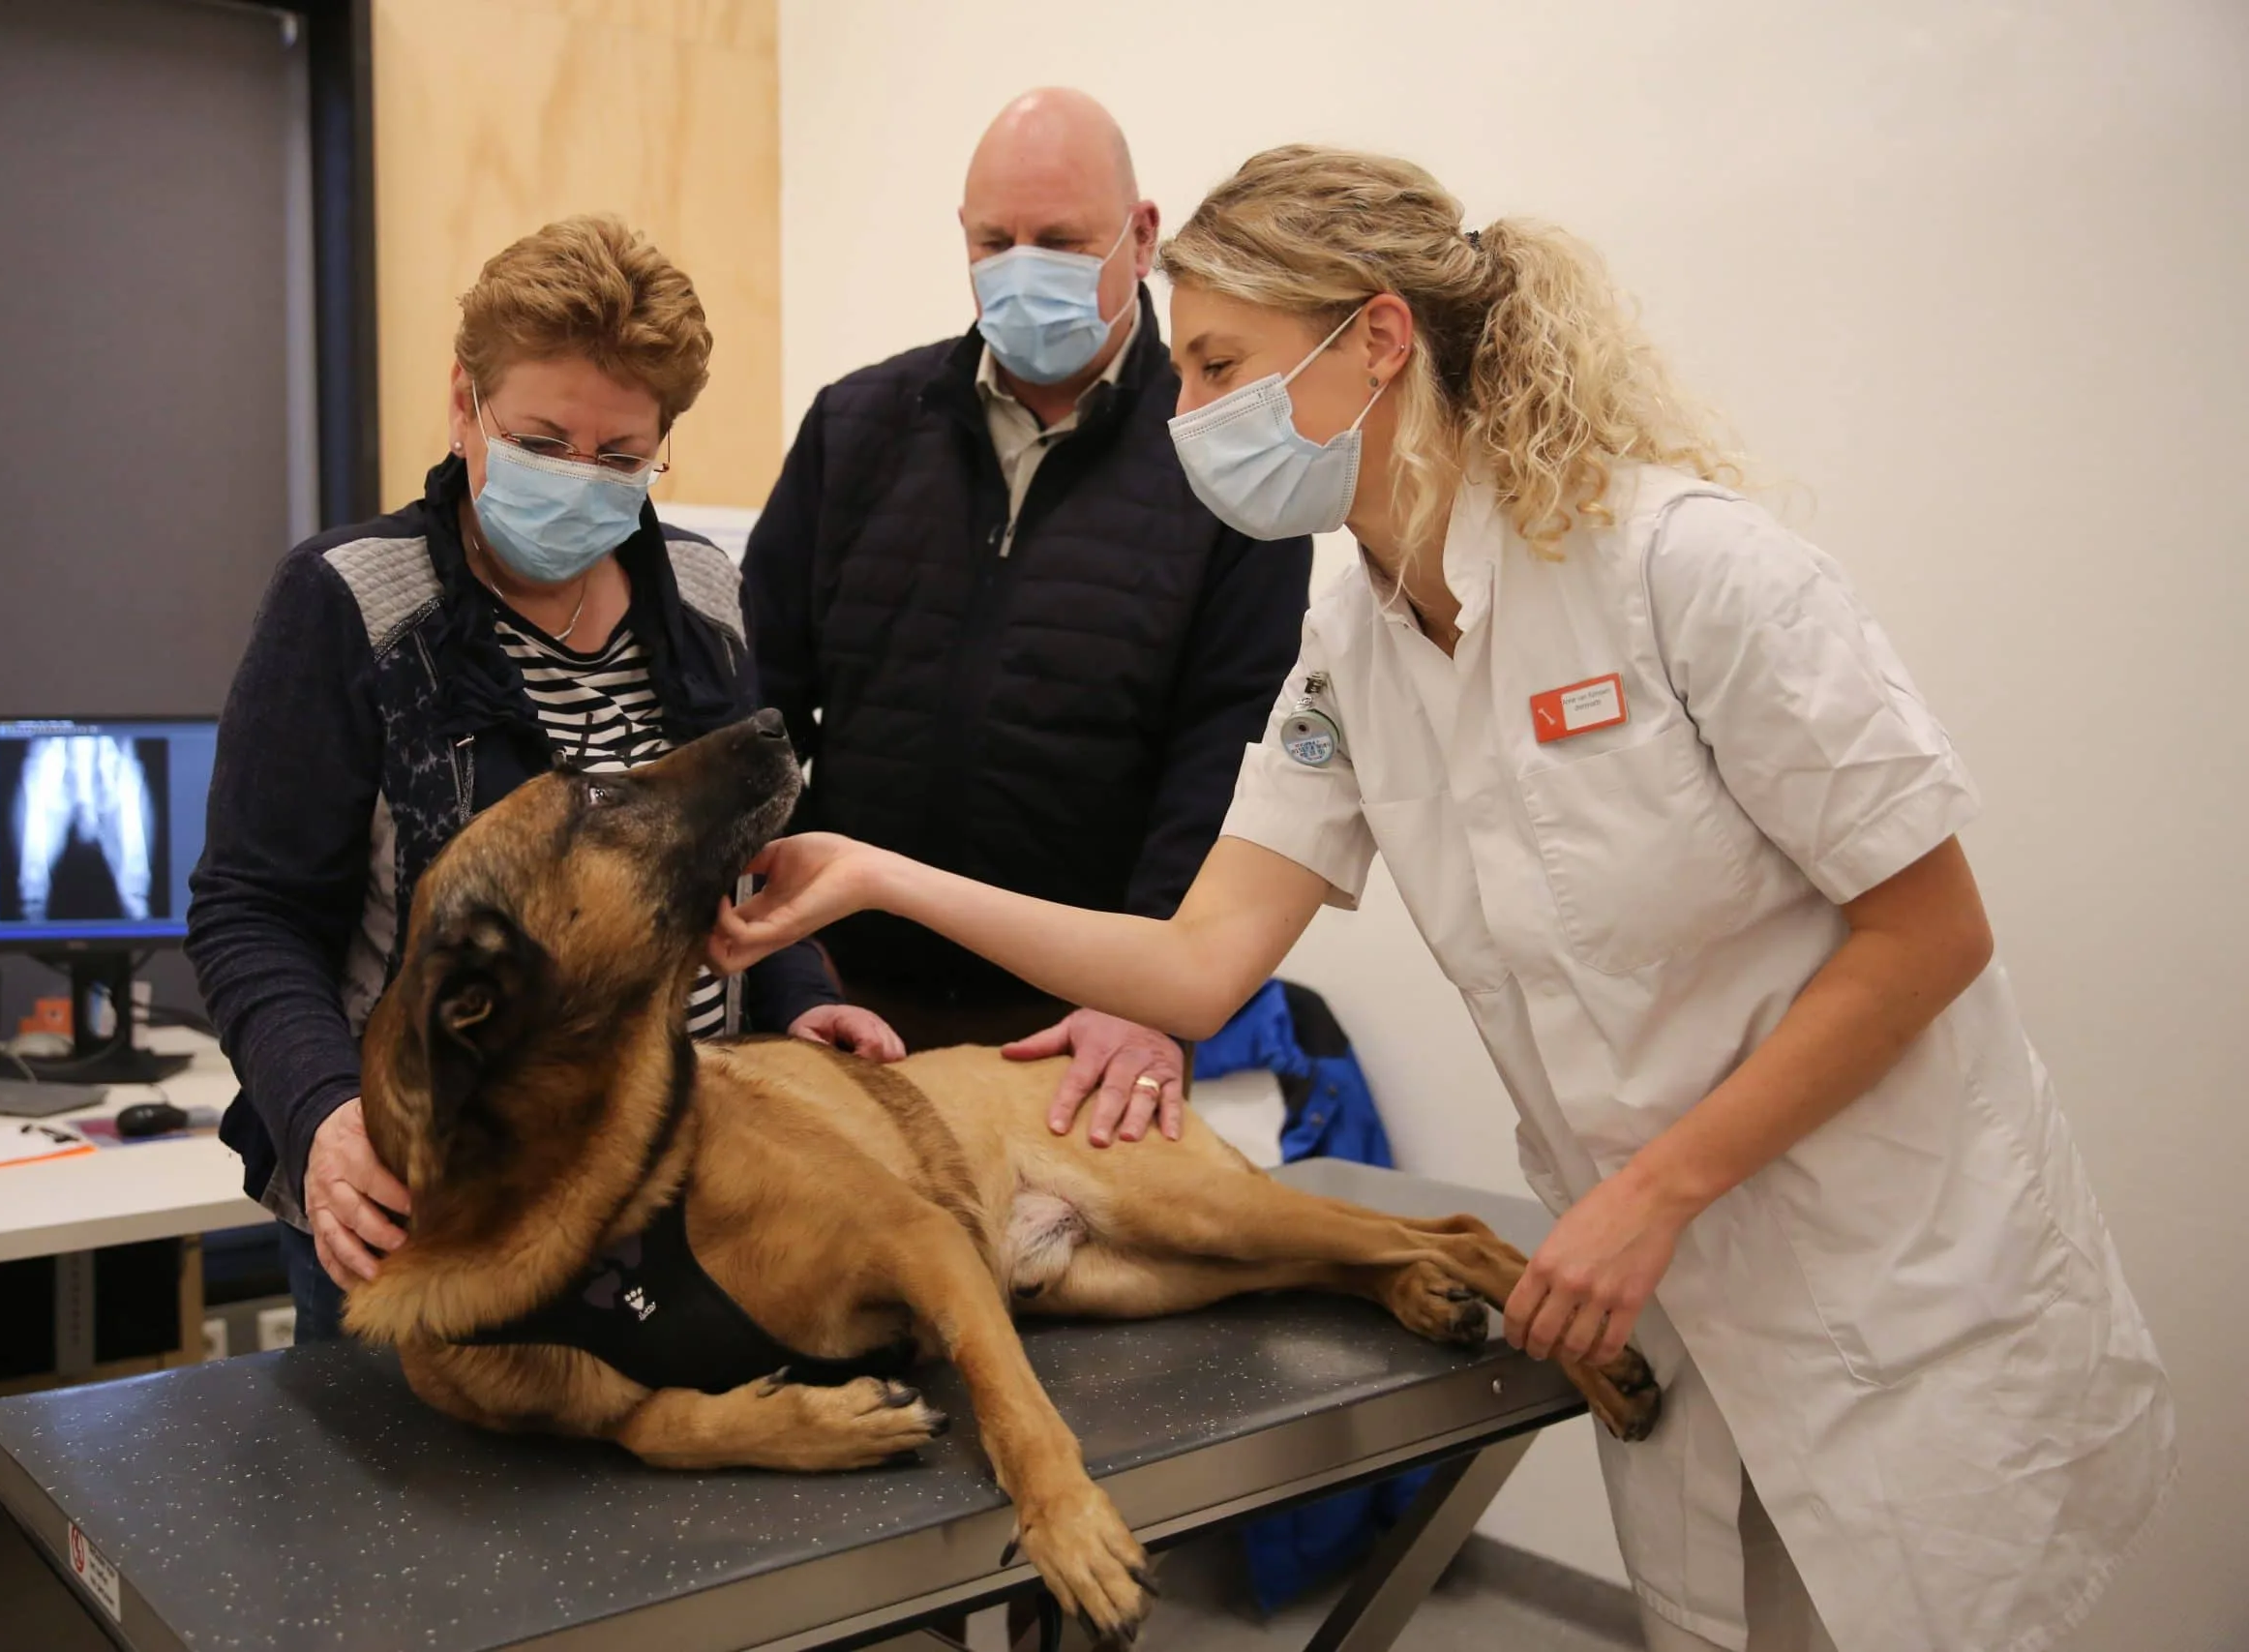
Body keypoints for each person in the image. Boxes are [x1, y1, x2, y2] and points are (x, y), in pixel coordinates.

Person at [713, 147, 2174, 1652]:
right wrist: (883, 872)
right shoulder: (1354, 634)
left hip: (1889, 1281)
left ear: (1380, 339)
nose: (1189, 410)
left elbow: (1932, 931)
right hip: (1659, 1290)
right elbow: (1201, 960)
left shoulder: (1689, 571)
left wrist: (1653, 1191)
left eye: (1220, 364)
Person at [189, 216, 900, 1338]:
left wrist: (804, 1000)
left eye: (621, 458)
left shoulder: (706, 592)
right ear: (465, 407)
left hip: (675, 1171)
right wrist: (322, 1112)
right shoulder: (348, 604)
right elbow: (250, 912)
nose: (581, 481)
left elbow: (724, 864)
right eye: (542, 440)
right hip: (434, 1200)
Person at [740, 89, 1310, 1147]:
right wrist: (784, 973)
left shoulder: (1218, 451)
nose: (1022, 267)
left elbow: (1228, 753)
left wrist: (1148, 995)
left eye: (1060, 241)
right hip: (846, 1000)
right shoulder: (856, 427)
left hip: (1081, 1027)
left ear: (1141, 237)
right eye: (994, 241)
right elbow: (753, 718)